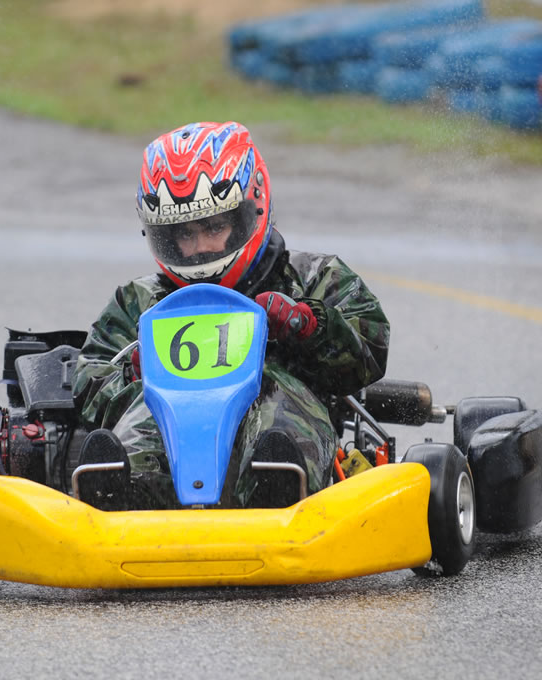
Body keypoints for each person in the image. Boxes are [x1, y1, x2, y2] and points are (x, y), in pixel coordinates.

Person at [72, 121, 390, 509]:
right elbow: (90, 375)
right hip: (172, 429)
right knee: (148, 407)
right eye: (183, 236)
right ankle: (127, 494)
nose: (199, 248)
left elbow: (369, 351)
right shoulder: (140, 301)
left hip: (275, 417)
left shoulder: (312, 278)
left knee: (273, 397)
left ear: (250, 209)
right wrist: (131, 374)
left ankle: (279, 484)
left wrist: (308, 326)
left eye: (214, 227)